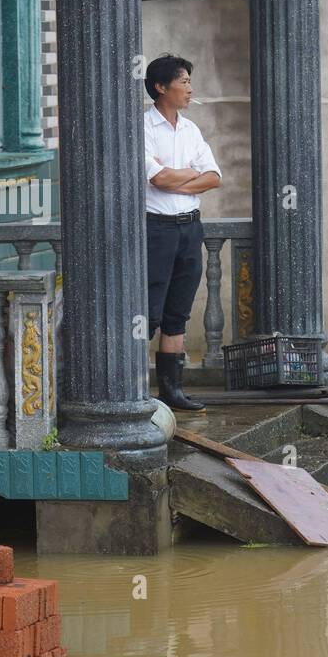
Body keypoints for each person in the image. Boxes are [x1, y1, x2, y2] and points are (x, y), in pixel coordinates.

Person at [143, 54, 221, 411]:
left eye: (190, 81)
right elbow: (157, 179)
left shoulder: (191, 130)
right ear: (161, 87)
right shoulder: (142, 127)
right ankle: (131, 387)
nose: (190, 89)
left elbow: (214, 177)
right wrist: (189, 174)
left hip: (190, 229)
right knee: (149, 311)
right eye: (184, 82)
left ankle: (171, 392)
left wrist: (178, 177)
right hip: (156, 230)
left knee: (179, 311)